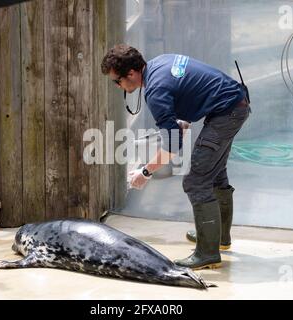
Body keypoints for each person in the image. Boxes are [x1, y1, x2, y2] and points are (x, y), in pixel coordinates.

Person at [101, 44, 251, 270]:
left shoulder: (155, 91)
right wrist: (183, 121)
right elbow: (190, 87)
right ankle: (218, 237)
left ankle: (207, 254)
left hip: (227, 112)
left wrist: (145, 172)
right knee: (216, 174)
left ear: (131, 74)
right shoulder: (160, 63)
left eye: (117, 81)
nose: (117, 85)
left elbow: (172, 146)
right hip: (233, 103)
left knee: (196, 181)